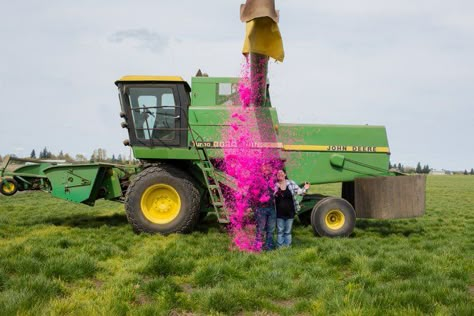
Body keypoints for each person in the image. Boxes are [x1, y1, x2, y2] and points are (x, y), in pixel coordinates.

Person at [274, 169, 310, 247]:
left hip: (290, 213)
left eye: (281, 172)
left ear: (285, 174)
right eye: (278, 173)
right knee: (280, 231)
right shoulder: (275, 185)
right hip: (279, 213)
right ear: (276, 176)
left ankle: (287, 246)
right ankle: (280, 247)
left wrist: (305, 188)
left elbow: (300, 192)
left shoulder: (291, 183)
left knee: (287, 231)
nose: (280, 174)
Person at [249, 162, 277, 251]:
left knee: (271, 229)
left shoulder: (275, 179)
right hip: (260, 208)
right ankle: (258, 247)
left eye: (269, 166)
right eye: (265, 166)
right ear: (261, 168)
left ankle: (269, 246)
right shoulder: (256, 179)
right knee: (260, 229)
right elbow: (250, 193)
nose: (267, 168)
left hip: (272, 208)